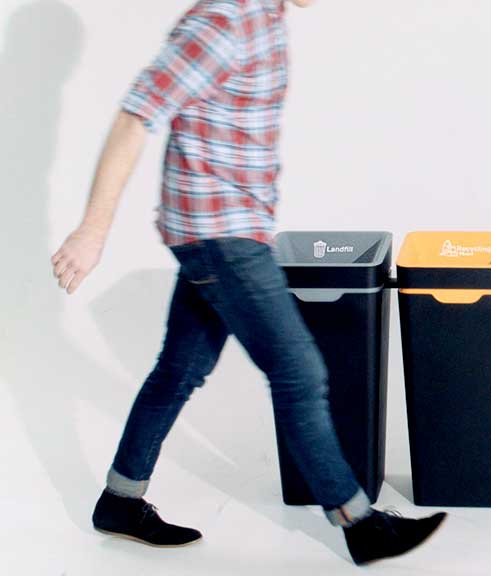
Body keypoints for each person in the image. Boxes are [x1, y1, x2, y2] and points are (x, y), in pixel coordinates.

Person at [49, 0, 445, 566]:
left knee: (178, 371)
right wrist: (93, 230)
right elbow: (136, 115)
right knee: (298, 370)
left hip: (222, 231)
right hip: (222, 236)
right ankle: (359, 522)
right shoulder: (224, 20)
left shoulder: (265, 16)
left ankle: (120, 499)